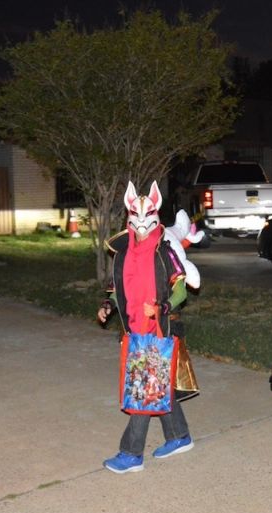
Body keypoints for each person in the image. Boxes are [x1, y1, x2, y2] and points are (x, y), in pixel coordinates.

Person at [98, 181, 194, 473]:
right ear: (128, 215)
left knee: (144, 390)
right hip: (133, 331)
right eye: (135, 217)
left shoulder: (165, 251)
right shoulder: (123, 252)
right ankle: (179, 436)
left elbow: (181, 291)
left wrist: (161, 309)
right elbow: (120, 290)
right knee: (157, 384)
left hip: (158, 330)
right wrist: (108, 306)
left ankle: (131, 453)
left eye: (147, 215)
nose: (141, 223)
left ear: (156, 212)